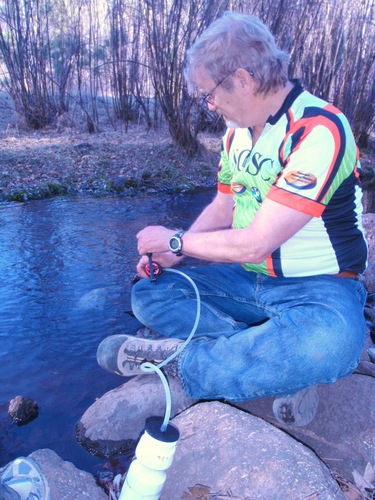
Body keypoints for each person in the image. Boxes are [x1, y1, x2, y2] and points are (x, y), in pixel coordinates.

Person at [97, 12, 368, 426]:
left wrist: (175, 241)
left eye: (209, 93)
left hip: (321, 287)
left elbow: (259, 241)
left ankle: (184, 364)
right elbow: (225, 206)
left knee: (332, 344)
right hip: (247, 281)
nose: (210, 104)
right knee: (148, 293)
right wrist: (177, 256)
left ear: (241, 79)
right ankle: (276, 360)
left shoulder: (319, 129)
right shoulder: (235, 132)